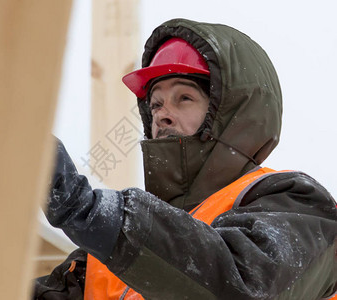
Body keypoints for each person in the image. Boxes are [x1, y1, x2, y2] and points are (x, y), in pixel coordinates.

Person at [33, 18, 336, 300]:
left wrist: (81, 207)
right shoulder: (106, 260)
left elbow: (240, 285)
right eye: (155, 104)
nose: (163, 114)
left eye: (184, 98)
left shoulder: (299, 206)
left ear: (230, 114)